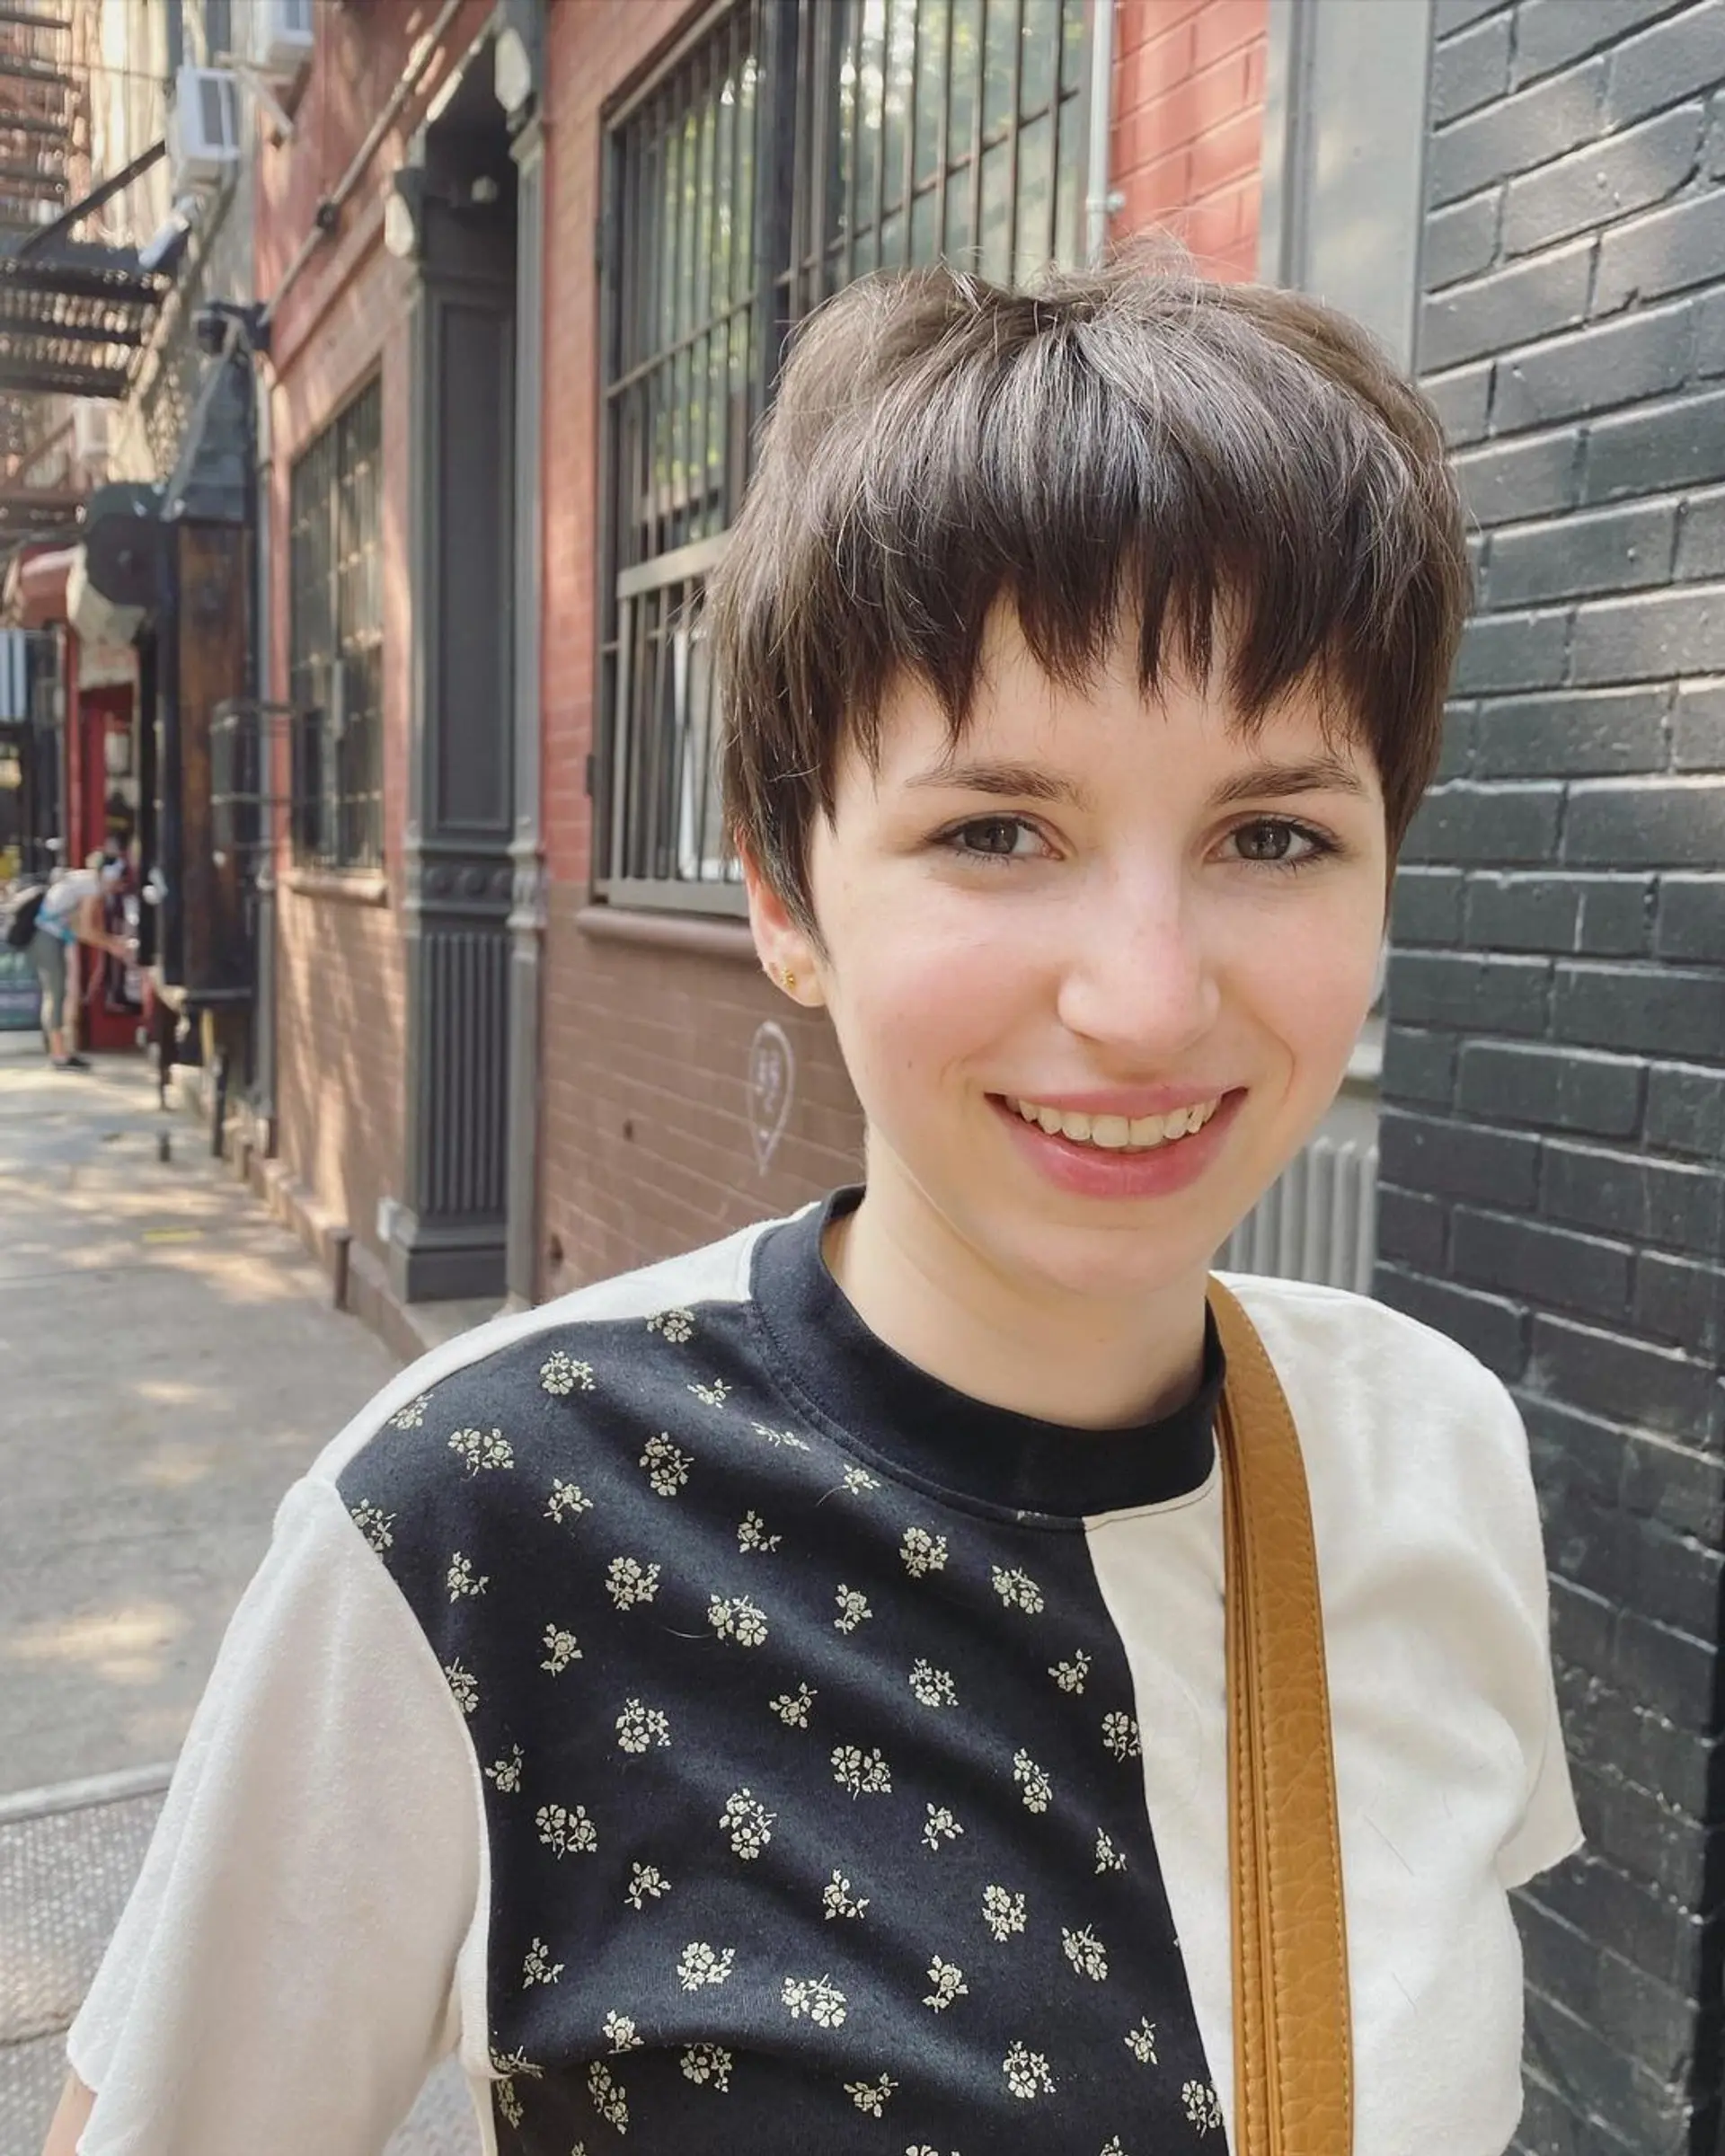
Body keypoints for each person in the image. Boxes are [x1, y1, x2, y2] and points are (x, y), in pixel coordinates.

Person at [43, 253, 1579, 2156]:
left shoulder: (1433, 1458)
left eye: (1274, 836)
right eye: (995, 833)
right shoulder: (487, 1517)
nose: (1150, 994)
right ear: (785, 889)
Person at [29, 852, 131, 1071]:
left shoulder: (85, 880)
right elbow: (86, 930)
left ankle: (59, 1049)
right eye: (120, 881)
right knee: (57, 994)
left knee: (57, 994)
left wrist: (109, 942)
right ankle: (59, 1055)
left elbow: (80, 928)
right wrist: (113, 945)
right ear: (110, 876)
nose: (120, 887)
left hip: (49, 936)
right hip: (48, 938)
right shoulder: (92, 887)